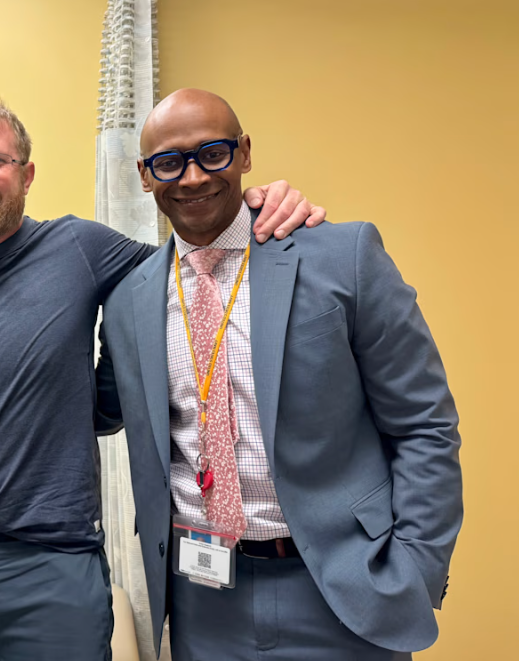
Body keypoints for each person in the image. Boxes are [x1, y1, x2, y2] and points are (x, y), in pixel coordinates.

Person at [0, 96, 324, 661]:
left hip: (54, 561)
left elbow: (195, 261)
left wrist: (264, 205)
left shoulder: (78, 247)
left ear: (26, 175)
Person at [95, 88, 463, 660]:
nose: (192, 177)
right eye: (169, 162)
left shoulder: (342, 257)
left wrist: (414, 565)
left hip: (344, 587)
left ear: (244, 153)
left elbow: (424, 425)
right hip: (202, 597)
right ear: (146, 177)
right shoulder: (127, 301)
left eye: (212, 153)